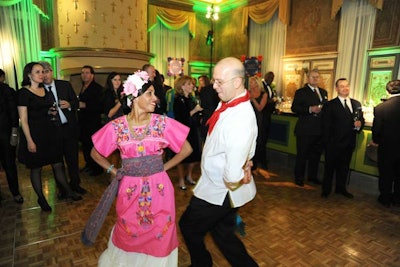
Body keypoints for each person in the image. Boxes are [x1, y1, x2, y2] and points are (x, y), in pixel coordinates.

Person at [83, 70, 192, 266]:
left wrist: (163, 167)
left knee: (161, 234)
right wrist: (113, 171)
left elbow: (186, 149)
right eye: (149, 93)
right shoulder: (117, 127)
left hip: (160, 191)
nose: (155, 98)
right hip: (129, 191)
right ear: (134, 96)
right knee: (127, 232)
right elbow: (95, 153)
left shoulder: (162, 123)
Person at [179, 57, 259, 267]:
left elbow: (232, 175)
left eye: (219, 82)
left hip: (220, 189)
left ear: (237, 82)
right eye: (214, 81)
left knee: (188, 226)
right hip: (218, 185)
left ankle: (202, 264)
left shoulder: (240, 117)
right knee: (223, 235)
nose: (214, 87)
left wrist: (243, 169)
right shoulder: (229, 104)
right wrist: (247, 160)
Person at [17, 62, 81, 212]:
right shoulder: (23, 93)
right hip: (35, 135)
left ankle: (68, 191)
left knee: (58, 164)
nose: (42, 74)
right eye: (38, 72)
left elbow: (47, 111)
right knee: (36, 168)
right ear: (29, 75)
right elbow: (24, 121)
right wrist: (30, 141)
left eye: (43, 71)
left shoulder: (44, 91)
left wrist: (51, 113)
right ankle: (41, 198)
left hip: (50, 134)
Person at [40, 61, 87, 197]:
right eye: (42, 73)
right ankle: (63, 188)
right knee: (57, 162)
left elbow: (76, 102)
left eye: (47, 71)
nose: (45, 75)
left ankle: (75, 185)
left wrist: (70, 104)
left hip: (68, 129)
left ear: (52, 72)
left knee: (72, 159)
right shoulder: (39, 90)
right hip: (53, 132)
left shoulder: (64, 85)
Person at [321, 78, 364, 199]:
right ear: (336, 89)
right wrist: (327, 144)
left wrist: (360, 124)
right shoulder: (330, 105)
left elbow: (361, 119)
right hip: (333, 144)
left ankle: (341, 189)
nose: (345, 88)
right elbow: (325, 126)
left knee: (344, 168)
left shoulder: (356, 104)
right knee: (329, 168)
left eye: (347, 86)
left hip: (349, 143)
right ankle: (326, 190)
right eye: (342, 86)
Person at [291, 69, 328, 186]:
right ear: (308, 78)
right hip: (305, 130)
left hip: (319, 130)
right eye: (313, 77)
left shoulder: (324, 92)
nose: (315, 79)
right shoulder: (301, 92)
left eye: (317, 77)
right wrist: (310, 109)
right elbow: (294, 108)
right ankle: (299, 177)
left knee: (315, 156)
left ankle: (312, 177)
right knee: (302, 155)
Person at [371, 80, 400, 207]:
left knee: (385, 173)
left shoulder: (380, 108)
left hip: (387, 147)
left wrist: (376, 140)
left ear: (387, 91)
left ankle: (385, 198)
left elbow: (376, 129)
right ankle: (398, 198)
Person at [173, 75, 203, 190]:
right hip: (182, 131)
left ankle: (189, 176)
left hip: (193, 129)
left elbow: (194, 115)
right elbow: (181, 118)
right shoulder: (178, 100)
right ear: (182, 86)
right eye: (189, 84)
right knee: (182, 156)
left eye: (192, 84)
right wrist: (195, 110)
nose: (192, 86)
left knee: (194, 155)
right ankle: (181, 179)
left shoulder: (191, 98)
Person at [0, 69, 23, 203]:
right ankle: (15, 194)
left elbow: (13, 113)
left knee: (9, 165)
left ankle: (15, 192)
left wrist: (14, 133)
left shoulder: (6, 91)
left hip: (5, 135)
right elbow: (14, 114)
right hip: (6, 135)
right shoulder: (7, 90)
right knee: (9, 165)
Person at [77, 65, 104, 176]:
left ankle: (97, 168)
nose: (84, 75)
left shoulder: (97, 88)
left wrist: (85, 105)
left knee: (93, 147)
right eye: (83, 73)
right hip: (84, 122)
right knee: (85, 145)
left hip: (93, 123)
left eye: (87, 72)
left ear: (92, 75)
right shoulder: (83, 87)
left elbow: (100, 106)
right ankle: (89, 165)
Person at [101, 72, 125, 182]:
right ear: (110, 81)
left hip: (121, 125)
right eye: (115, 79)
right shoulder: (107, 93)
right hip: (111, 126)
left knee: (118, 154)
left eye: (119, 79)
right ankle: (111, 176)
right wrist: (120, 101)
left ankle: (114, 177)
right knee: (112, 154)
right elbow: (109, 113)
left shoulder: (120, 93)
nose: (117, 82)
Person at [249, 75, 270, 179]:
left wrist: (252, 99)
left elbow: (260, 108)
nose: (250, 84)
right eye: (250, 82)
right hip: (249, 119)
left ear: (257, 83)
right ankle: (251, 165)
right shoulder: (247, 92)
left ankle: (258, 164)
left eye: (252, 82)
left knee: (259, 142)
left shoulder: (263, 94)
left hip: (258, 119)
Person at [262, 71, 278, 168]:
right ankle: (262, 161)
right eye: (270, 77)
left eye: (272, 78)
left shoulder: (270, 87)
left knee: (264, 138)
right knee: (262, 138)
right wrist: (272, 101)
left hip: (268, 114)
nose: (271, 79)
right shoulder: (262, 86)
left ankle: (262, 160)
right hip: (263, 115)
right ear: (266, 77)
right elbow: (262, 100)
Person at [198, 75, 219, 142]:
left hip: (207, 115)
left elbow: (203, 104)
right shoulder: (214, 89)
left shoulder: (204, 90)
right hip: (215, 114)